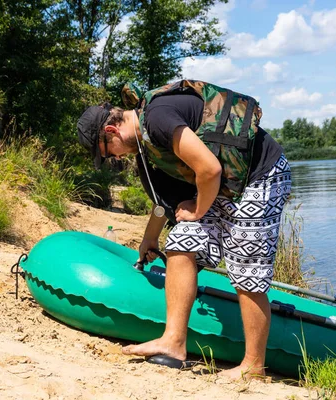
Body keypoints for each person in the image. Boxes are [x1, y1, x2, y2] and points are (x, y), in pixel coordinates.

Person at [76, 80, 291, 380]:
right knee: (181, 239)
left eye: (107, 152)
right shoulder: (144, 147)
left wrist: (198, 209)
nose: (113, 158)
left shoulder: (157, 118)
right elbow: (167, 202)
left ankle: (253, 365)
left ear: (111, 132)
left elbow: (210, 169)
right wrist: (150, 237)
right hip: (222, 186)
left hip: (261, 175)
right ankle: (174, 342)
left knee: (246, 267)